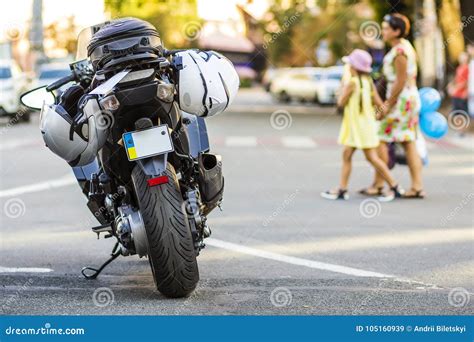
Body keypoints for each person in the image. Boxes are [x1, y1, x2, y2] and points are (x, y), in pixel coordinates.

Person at [321, 49, 402, 201]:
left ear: (354, 67)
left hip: (355, 128)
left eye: (349, 65)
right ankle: (343, 188)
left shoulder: (351, 83)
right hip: (366, 126)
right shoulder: (368, 82)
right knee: (360, 156)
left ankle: (394, 185)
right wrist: (380, 115)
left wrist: (342, 88)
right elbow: (378, 103)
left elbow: (340, 103)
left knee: (360, 157)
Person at [360, 13, 425, 199]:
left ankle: (380, 183)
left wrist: (387, 105)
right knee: (408, 141)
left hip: (400, 101)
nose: (383, 31)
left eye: (387, 28)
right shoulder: (404, 48)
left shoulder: (399, 52)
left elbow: (400, 80)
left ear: (397, 31)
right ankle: (417, 186)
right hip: (408, 100)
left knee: (380, 137)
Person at [447, 52, 469, 121]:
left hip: (462, 94)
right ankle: (458, 128)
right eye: (460, 57)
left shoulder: (467, 68)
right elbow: (457, 79)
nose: (461, 59)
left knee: (463, 112)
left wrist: (456, 88)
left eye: (463, 57)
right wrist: (451, 85)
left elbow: (466, 82)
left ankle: (464, 128)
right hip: (456, 94)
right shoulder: (459, 68)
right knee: (456, 112)